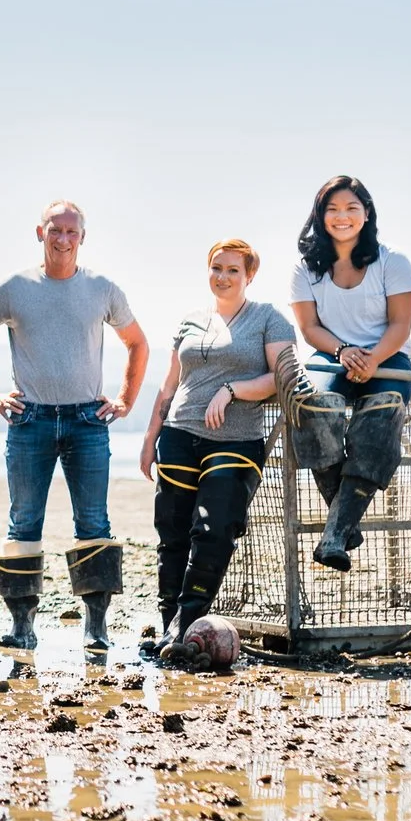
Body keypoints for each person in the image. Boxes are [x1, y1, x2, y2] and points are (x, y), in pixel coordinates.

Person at [0, 201, 147, 652]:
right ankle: (22, 627)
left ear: (83, 237)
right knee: (23, 523)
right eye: (55, 230)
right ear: (40, 232)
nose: (63, 239)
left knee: (94, 522)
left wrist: (124, 400)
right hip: (30, 420)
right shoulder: (15, 288)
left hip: (87, 421)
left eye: (71, 232)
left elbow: (137, 343)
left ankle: (96, 628)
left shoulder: (102, 288)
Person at [136, 239, 294, 665]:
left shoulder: (269, 318)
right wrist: (150, 437)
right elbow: (170, 384)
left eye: (233, 270)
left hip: (236, 439)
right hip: (179, 433)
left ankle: (187, 622)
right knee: (171, 532)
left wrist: (232, 389)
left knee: (214, 530)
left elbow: (282, 377)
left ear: (249, 276)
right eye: (217, 268)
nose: (223, 277)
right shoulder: (190, 320)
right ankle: (169, 627)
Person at [288, 175, 411, 571]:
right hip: (331, 356)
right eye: (332, 209)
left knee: (378, 420)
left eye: (351, 208)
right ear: (319, 215)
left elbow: (400, 325)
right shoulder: (304, 268)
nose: (341, 216)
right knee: (314, 408)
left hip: (388, 358)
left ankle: (333, 537)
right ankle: (344, 525)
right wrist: (344, 351)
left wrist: (372, 359)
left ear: (366, 213)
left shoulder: (393, 261)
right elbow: (309, 328)